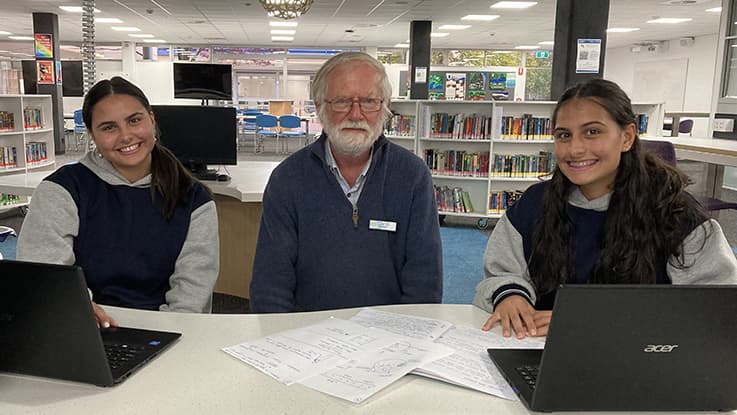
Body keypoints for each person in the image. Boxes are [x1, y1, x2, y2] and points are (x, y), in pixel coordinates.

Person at [473, 78, 737, 338]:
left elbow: (714, 309)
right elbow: (501, 271)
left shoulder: (676, 215)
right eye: (564, 135)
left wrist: (589, 322)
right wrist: (510, 295)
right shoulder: (534, 205)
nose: (575, 148)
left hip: (642, 361)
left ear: (627, 137)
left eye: (592, 132)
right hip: (540, 352)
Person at [17, 76, 219, 326]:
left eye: (134, 120)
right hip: (82, 326)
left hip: (169, 329)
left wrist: (165, 334)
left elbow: (191, 293)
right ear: (91, 134)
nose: (126, 136)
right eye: (109, 127)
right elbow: (47, 277)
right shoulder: (61, 190)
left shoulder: (193, 198)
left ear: (152, 120)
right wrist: (78, 313)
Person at [250, 52, 443, 312]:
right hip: (306, 337)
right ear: (319, 106)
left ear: (385, 107)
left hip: (389, 337)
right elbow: (270, 284)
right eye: (342, 101)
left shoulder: (412, 176)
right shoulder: (287, 179)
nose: (356, 113)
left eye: (369, 101)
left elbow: (424, 281)